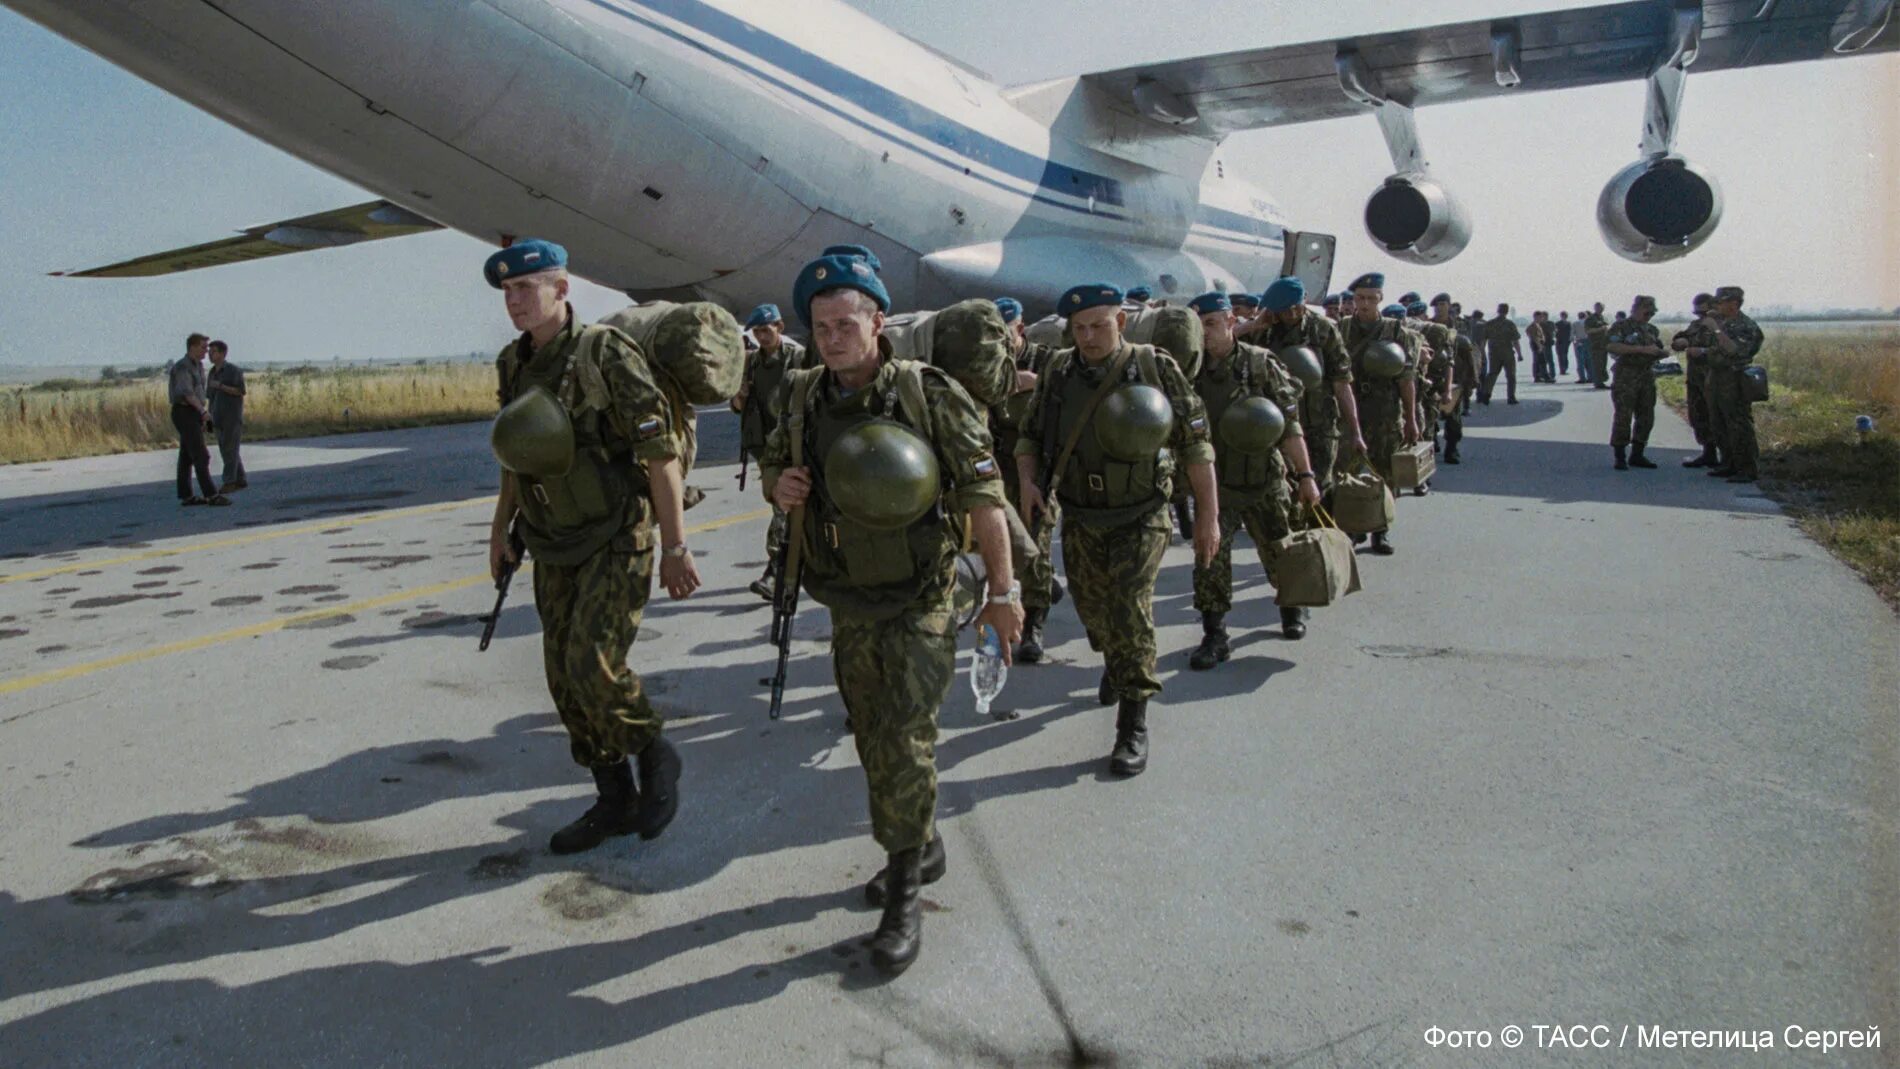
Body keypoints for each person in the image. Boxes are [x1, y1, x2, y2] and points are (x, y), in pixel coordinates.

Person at [762, 251, 1022, 976]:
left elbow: (983, 497)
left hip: (923, 593)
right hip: (847, 596)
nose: (833, 337)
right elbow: (779, 472)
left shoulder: (927, 392)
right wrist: (779, 487)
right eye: (820, 326)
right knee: (872, 731)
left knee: (905, 733)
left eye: (847, 323)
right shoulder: (801, 397)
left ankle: (903, 886)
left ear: (879, 322)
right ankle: (924, 843)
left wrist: (1003, 595)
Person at [484, 238, 692, 858]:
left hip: (615, 533)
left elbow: (660, 456)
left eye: (527, 288)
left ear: (562, 289)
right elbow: (515, 458)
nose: (515, 302)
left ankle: (656, 754)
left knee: (593, 663)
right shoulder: (511, 364)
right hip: (553, 539)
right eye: (508, 293)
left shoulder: (604, 352)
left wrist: (676, 545)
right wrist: (499, 530)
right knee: (563, 680)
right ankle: (613, 798)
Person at [1016, 282, 1219, 775]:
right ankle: (1116, 659)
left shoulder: (1154, 367)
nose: (1088, 338)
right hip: (1082, 516)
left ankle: (1133, 723)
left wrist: (1208, 517)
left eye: (1098, 326)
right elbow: (1030, 435)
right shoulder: (1060, 373)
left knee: (1129, 609)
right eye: (1079, 329)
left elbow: (1197, 443)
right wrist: (1026, 483)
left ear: (1121, 323)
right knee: (1094, 610)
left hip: (1142, 511)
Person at [1186, 291, 1323, 662]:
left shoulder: (1261, 365)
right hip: (1220, 486)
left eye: (1212, 323)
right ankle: (1214, 636)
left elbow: (1290, 425)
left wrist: (1306, 475)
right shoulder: (1189, 372)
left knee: (1281, 550)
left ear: (1232, 322)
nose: (1205, 333)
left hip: (1265, 480)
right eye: (1197, 327)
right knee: (1209, 560)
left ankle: (1291, 608)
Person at [992, 296, 1063, 663]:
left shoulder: (1048, 361)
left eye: (1003, 334)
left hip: (1037, 465)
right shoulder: (987, 364)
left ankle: (1034, 625)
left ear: (1019, 329)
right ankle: (1035, 589)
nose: (998, 343)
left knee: (1036, 539)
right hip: (998, 464)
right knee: (1003, 544)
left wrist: (1034, 385)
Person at [732, 302, 809, 598]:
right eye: (757, 331)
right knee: (788, 507)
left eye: (766, 330)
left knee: (784, 506)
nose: (762, 336)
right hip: (765, 449)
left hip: (794, 446)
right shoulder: (751, 364)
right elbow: (738, 408)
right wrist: (740, 397)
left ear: (780, 327)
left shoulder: (798, 359)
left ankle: (776, 571)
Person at [1339, 273, 1419, 555]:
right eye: (1360, 298)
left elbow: (1406, 378)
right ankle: (1352, 527)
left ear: (1380, 299)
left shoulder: (1396, 331)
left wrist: (1411, 418)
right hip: (1350, 411)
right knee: (1347, 471)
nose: (1364, 304)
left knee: (1384, 473)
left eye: (1371, 298)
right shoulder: (1342, 329)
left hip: (1385, 411)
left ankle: (1380, 531)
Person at [1261, 275, 1358, 494]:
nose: (1292, 314)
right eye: (1285, 310)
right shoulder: (1264, 330)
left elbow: (1341, 382)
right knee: (1287, 487)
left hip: (1320, 423)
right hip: (1280, 424)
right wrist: (1252, 325)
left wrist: (1355, 431)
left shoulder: (1323, 329)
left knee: (1321, 485)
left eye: (1297, 307)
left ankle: (1320, 527)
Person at [1698, 285, 1765, 483]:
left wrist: (1716, 328)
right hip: (1717, 377)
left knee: (1738, 424)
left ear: (1734, 304)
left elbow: (1734, 349)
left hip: (1734, 379)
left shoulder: (1746, 326)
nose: (1716, 306)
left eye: (1720, 302)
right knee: (1718, 423)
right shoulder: (1723, 323)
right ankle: (1728, 463)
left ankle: (1747, 468)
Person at [1605, 295, 1668, 470]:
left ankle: (1638, 453)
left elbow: (1658, 347)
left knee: (1646, 416)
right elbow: (1612, 346)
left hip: (1646, 376)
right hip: (1626, 376)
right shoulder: (1621, 327)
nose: (1649, 315)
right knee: (1623, 416)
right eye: (1646, 311)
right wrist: (1641, 349)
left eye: (1652, 313)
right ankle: (1620, 455)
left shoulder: (1652, 330)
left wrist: (1660, 353)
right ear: (1636, 309)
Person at [168, 333, 228, 507]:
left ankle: (186, 496)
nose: (206, 351)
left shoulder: (199, 366)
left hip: (194, 412)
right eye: (203, 347)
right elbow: (187, 394)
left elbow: (200, 393)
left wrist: (202, 413)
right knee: (201, 455)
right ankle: (211, 495)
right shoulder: (183, 367)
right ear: (192, 347)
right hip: (184, 411)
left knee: (187, 455)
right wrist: (203, 412)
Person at [1672, 293, 1721, 467]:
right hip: (1695, 378)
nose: (1701, 316)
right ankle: (1708, 453)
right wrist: (1680, 342)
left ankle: (1728, 456)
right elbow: (1679, 339)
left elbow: (1730, 348)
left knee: (1717, 416)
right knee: (1698, 415)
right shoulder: (1695, 325)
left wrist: (1703, 351)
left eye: (1704, 312)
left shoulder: (1722, 324)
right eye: (1698, 312)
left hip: (1715, 377)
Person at [206, 340, 247, 492]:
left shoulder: (233, 370)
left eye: (214, 351)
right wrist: (208, 417)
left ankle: (230, 481)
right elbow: (209, 396)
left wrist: (222, 387)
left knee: (230, 448)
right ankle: (240, 478)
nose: (210, 355)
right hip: (217, 416)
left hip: (231, 416)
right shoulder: (211, 372)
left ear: (223, 353)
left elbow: (240, 391)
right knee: (226, 448)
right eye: (210, 352)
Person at [1480, 304, 1522, 404]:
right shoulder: (1510, 324)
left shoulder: (1489, 323)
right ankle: (1511, 397)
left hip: (1494, 354)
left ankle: (1486, 395)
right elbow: (1515, 341)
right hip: (1507, 354)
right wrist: (1519, 354)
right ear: (1507, 312)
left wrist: (1482, 353)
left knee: (1492, 374)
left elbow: (1483, 340)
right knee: (1511, 376)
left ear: (1498, 311)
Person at [1583, 303, 1611, 388]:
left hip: (1604, 344)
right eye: (1598, 307)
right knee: (1597, 364)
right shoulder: (1591, 319)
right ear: (1595, 308)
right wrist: (1600, 329)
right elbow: (1588, 331)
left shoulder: (1604, 318)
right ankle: (1598, 382)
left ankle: (1602, 380)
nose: (1600, 309)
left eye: (1602, 307)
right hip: (1595, 344)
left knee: (1603, 363)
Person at [1554, 311, 1574, 379]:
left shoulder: (1568, 323)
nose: (1564, 317)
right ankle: (1563, 369)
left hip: (1565, 342)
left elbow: (1571, 332)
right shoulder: (1558, 324)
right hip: (1560, 341)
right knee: (1561, 355)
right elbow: (1555, 332)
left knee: (1564, 355)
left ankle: (1564, 369)